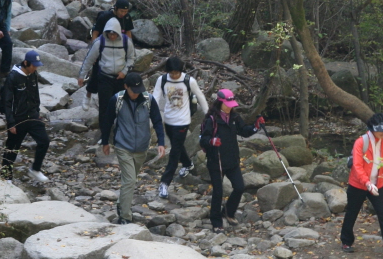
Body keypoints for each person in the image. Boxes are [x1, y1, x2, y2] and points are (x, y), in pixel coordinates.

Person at [101, 71, 165, 224]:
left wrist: (161, 143)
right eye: (133, 90)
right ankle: (125, 217)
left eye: (138, 90)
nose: (136, 93)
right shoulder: (117, 100)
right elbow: (107, 121)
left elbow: (157, 121)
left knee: (130, 180)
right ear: (126, 87)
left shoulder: (149, 100)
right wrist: (105, 142)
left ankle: (121, 204)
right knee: (129, 181)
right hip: (123, 145)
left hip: (142, 148)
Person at [199, 89, 264, 232]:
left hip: (232, 160)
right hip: (216, 161)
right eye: (227, 105)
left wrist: (255, 127)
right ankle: (216, 222)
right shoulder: (211, 119)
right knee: (218, 192)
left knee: (239, 187)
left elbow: (244, 131)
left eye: (231, 104)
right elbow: (203, 139)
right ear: (220, 103)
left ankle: (228, 212)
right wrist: (212, 141)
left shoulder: (234, 117)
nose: (230, 107)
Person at [340, 112, 383, 259]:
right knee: (352, 212)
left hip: (378, 183)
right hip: (358, 184)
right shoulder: (361, 142)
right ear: (372, 128)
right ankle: (346, 241)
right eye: (380, 130)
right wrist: (367, 183)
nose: (382, 133)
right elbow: (357, 166)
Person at [153, 55, 208, 199]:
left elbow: (200, 97)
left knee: (174, 152)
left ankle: (165, 183)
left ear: (181, 70)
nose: (174, 75)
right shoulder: (162, 80)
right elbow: (155, 98)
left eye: (176, 72)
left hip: (183, 121)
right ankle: (188, 164)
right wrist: (151, 114)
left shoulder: (189, 81)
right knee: (177, 145)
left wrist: (209, 115)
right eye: (171, 73)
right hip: (168, 120)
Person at [0, 50, 50, 183]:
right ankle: (6, 176)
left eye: (37, 66)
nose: (35, 68)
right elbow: (7, 102)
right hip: (18, 119)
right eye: (33, 65)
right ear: (26, 63)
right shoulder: (13, 77)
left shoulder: (33, 74)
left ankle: (35, 169)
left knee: (44, 141)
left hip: (32, 116)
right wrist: (11, 122)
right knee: (12, 148)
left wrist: (37, 112)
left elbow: (36, 94)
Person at [78, 16, 135, 131]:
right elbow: (89, 59)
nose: (112, 36)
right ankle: (104, 133)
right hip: (105, 78)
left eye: (114, 34)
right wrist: (81, 76)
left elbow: (131, 58)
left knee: (121, 105)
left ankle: (119, 132)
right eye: (110, 34)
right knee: (104, 107)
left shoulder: (126, 42)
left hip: (120, 79)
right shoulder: (99, 42)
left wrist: (124, 72)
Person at [84, 0, 135, 111]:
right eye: (121, 11)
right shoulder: (105, 16)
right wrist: (93, 49)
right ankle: (88, 95)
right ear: (115, 8)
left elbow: (128, 32)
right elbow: (95, 33)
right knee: (96, 73)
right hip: (103, 47)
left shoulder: (126, 18)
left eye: (125, 11)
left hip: (119, 48)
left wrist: (129, 47)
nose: (123, 13)